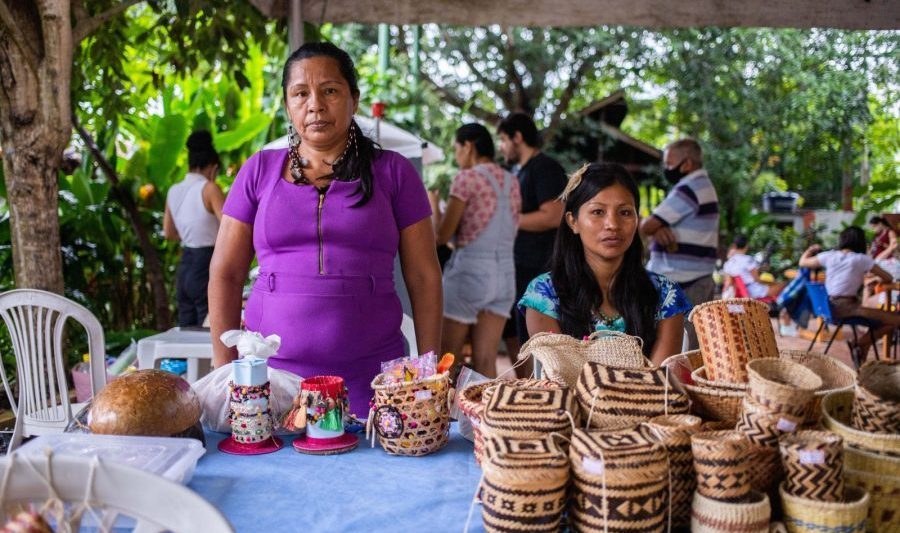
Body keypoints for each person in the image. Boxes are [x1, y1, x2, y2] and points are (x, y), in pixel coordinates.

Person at [208, 42, 442, 417]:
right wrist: (225, 372)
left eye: (330, 90)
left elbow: (424, 275)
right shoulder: (258, 170)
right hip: (269, 383)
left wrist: (430, 372)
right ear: (288, 105)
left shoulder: (394, 172)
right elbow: (226, 272)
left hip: (371, 380)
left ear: (354, 98)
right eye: (300, 93)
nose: (314, 104)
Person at [519, 163, 691, 365]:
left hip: (647, 397)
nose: (613, 224)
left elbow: (660, 382)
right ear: (573, 221)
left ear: (637, 219)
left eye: (625, 212)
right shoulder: (543, 295)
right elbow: (561, 377)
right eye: (598, 212)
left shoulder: (666, 295)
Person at [431, 124, 521, 378]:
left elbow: (442, 235)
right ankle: (485, 416)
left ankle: (448, 418)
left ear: (468, 145)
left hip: (470, 272)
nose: (457, 156)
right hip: (505, 274)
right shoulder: (511, 181)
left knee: (447, 359)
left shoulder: (467, 178)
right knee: (485, 360)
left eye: (457, 149)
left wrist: (433, 206)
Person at [496, 113, 567, 376]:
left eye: (504, 139)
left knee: (541, 344)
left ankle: (541, 392)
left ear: (518, 137)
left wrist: (507, 220)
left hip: (540, 267)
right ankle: (527, 390)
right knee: (516, 332)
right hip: (520, 267)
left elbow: (553, 214)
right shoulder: (520, 172)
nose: (501, 147)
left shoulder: (544, 167)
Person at [640, 138, 718, 350]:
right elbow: (655, 225)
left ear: (687, 164)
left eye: (669, 163)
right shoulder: (699, 186)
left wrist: (654, 227)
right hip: (688, 279)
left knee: (683, 349)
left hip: (688, 281)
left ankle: (677, 383)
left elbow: (647, 225)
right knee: (685, 344)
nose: (666, 169)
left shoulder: (690, 188)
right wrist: (658, 229)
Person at [798, 226, 898, 362]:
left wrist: (810, 250)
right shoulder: (861, 259)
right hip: (847, 309)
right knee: (895, 319)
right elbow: (888, 278)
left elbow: (802, 262)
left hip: (827, 308)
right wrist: (876, 279)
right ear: (861, 242)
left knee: (885, 320)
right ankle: (861, 343)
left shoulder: (829, 255)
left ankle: (863, 347)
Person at [164, 130, 225, 327]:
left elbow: (169, 233)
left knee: (186, 332)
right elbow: (230, 228)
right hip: (207, 263)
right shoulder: (209, 189)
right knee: (208, 331)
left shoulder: (173, 190)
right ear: (213, 168)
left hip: (185, 266)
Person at [722, 234, 785, 299]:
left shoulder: (728, 263)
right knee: (784, 285)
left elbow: (728, 282)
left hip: (739, 294)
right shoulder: (748, 259)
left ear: (734, 246)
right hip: (753, 291)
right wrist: (772, 283)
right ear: (747, 245)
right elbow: (757, 280)